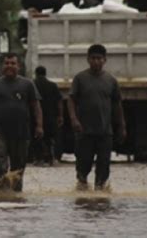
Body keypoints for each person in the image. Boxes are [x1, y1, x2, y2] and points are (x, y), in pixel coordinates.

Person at [0, 53, 43, 192]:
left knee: (18, 169)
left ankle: (16, 198)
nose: (9, 66)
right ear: (2, 66)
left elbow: (36, 106)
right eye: (7, 63)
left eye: (13, 63)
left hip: (21, 132)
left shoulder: (27, 84)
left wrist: (39, 125)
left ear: (18, 66)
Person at [67, 44, 126, 191]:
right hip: (84, 132)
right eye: (93, 58)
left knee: (104, 166)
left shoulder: (111, 80)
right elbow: (71, 99)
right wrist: (74, 119)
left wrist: (122, 127)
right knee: (82, 166)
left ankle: (100, 194)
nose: (96, 61)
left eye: (99, 58)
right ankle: (82, 193)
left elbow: (117, 105)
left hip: (105, 132)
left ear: (105, 60)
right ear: (88, 59)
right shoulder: (80, 78)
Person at [32, 66, 64, 166]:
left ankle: (39, 158)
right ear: (45, 73)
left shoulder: (32, 85)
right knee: (51, 138)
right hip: (51, 116)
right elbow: (59, 101)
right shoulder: (52, 85)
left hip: (36, 116)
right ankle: (52, 158)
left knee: (37, 138)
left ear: (36, 73)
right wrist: (60, 115)